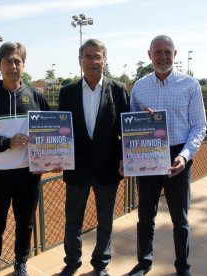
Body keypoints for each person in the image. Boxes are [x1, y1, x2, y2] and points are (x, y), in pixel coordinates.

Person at [125, 35, 207, 276]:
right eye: (158, 52)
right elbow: (130, 126)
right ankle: (144, 262)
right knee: (145, 215)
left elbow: (199, 125)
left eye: (167, 52)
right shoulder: (140, 86)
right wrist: (142, 120)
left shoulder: (190, 85)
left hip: (177, 156)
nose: (162, 56)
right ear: (149, 55)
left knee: (180, 219)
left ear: (175, 54)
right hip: (148, 153)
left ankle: (182, 267)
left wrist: (185, 155)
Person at [0, 42, 50, 276]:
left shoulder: (36, 96)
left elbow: (50, 131)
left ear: (23, 65)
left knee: (25, 225)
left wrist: (51, 160)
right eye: (8, 61)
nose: (13, 66)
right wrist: (6, 143)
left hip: (29, 174)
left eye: (17, 61)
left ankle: (20, 263)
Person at [58, 38, 129, 276]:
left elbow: (124, 130)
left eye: (97, 56)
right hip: (76, 168)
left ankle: (100, 264)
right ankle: (72, 262)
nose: (93, 61)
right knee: (73, 222)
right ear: (80, 61)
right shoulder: (67, 92)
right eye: (88, 57)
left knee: (105, 221)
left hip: (107, 169)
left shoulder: (118, 90)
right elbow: (61, 131)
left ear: (105, 60)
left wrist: (123, 158)